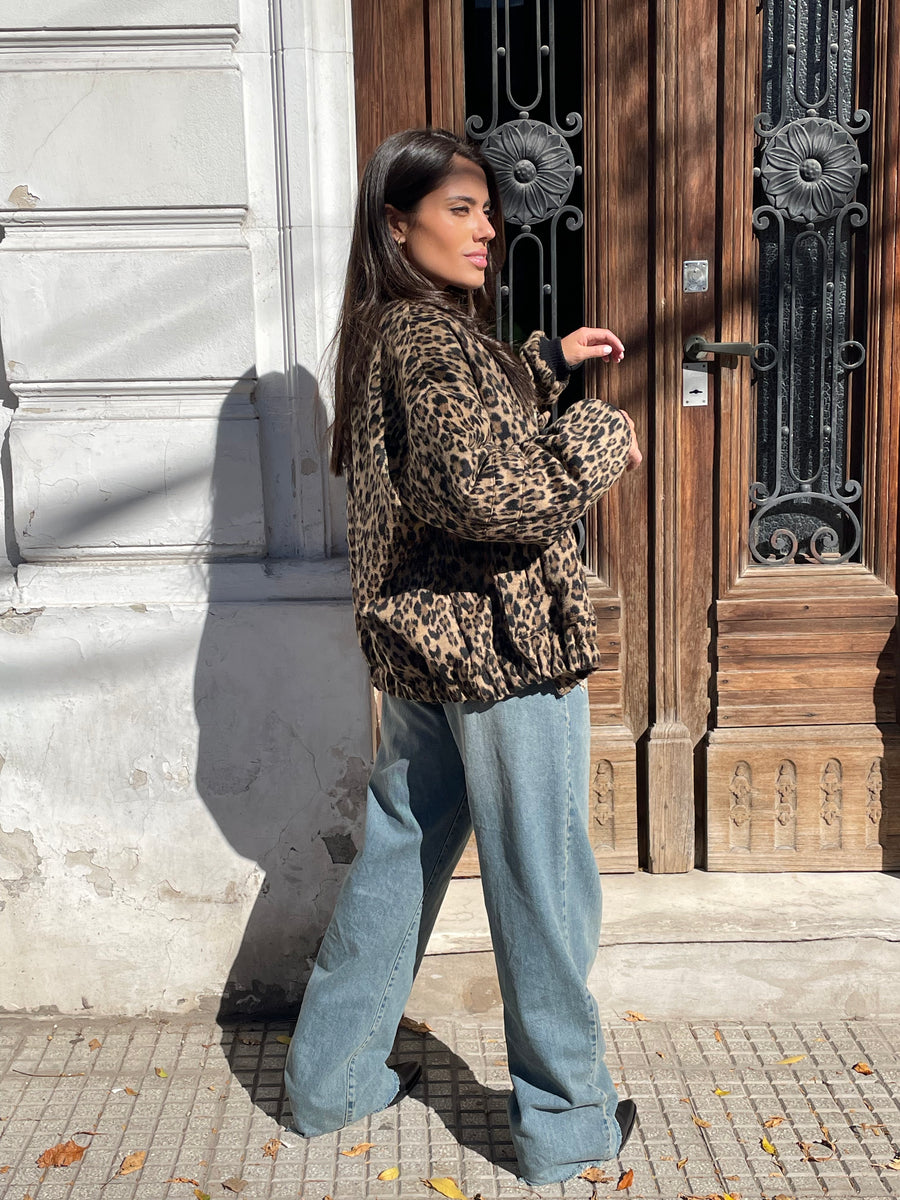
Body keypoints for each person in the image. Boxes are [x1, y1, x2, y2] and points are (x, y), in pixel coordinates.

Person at [283, 127, 641, 1187]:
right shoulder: (429, 342)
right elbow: (486, 493)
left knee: (400, 858)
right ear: (398, 224)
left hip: (427, 652)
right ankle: (568, 1120)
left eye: (489, 210)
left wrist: (541, 364)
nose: (489, 229)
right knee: (543, 880)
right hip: (502, 646)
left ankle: (331, 1081)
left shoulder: (390, 333)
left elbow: (448, 450)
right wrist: (595, 441)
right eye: (461, 210)